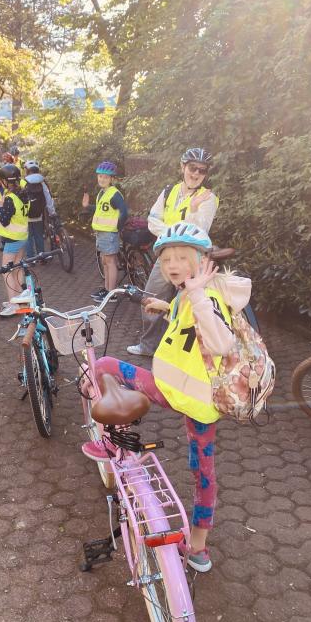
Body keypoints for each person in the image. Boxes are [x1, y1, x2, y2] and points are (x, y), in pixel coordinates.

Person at [82, 222, 252, 573]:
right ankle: (199, 549)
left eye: (181, 257)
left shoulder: (207, 295)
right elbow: (187, 321)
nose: (172, 265)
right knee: (203, 473)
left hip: (177, 393)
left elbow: (220, 343)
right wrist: (167, 304)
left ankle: (113, 441)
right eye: (166, 259)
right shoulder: (189, 291)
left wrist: (198, 295)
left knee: (104, 365)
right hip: (188, 398)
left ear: (201, 260)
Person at [127, 148, 219, 357]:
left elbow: (199, 231)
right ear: (182, 167)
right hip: (166, 257)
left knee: (187, 304)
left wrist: (194, 209)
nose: (196, 174)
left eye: (201, 170)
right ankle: (149, 346)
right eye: (192, 168)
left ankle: (183, 353)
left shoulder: (207, 198)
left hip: (191, 260)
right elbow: (153, 220)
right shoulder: (169, 191)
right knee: (152, 295)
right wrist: (174, 233)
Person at [82, 161, 128, 303]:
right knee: (105, 261)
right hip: (102, 233)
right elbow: (101, 209)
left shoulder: (114, 194)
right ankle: (107, 289)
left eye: (105, 177)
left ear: (112, 179)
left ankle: (111, 293)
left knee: (110, 262)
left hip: (109, 234)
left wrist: (116, 228)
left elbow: (124, 213)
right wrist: (87, 206)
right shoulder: (103, 193)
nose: (102, 179)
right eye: (100, 176)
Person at [0, 163, 30, 317]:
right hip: (23, 236)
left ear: (4, 181)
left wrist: (0, 206)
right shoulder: (24, 193)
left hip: (12, 239)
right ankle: (21, 300)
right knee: (17, 268)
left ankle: (12, 304)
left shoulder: (9, 198)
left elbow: (4, 221)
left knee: (6, 271)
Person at [23, 160, 56, 259]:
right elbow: (48, 198)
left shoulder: (23, 182)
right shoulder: (42, 182)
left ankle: (30, 259)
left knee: (28, 238)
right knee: (39, 236)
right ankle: (42, 257)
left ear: (27, 170)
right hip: (38, 215)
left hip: (26, 216)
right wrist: (52, 212)